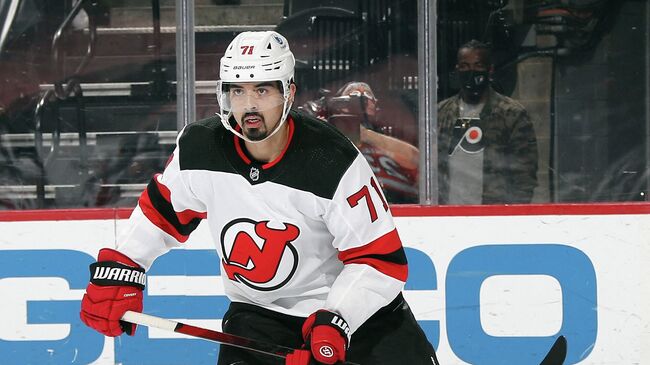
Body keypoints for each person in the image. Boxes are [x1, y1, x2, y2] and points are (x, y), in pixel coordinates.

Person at [79, 31, 438, 365]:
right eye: (238, 91)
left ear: (289, 93)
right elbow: (161, 213)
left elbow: (380, 261)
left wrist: (336, 320)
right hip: (258, 319)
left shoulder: (332, 160)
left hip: (357, 321)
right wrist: (122, 267)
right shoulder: (200, 148)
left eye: (262, 90)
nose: (249, 105)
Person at [437, 39, 538, 204]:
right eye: (464, 66)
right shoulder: (441, 113)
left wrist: (515, 216)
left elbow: (524, 176)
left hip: (494, 215)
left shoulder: (511, 114)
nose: (471, 72)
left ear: (489, 70)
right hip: (449, 214)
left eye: (478, 66)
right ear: (457, 69)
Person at [302, 81, 420, 204]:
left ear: (375, 106)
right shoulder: (325, 134)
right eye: (352, 95)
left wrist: (366, 135)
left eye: (367, 96)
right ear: (339, 104)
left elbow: (417, 161)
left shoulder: (390, 139)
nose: (359, 100)